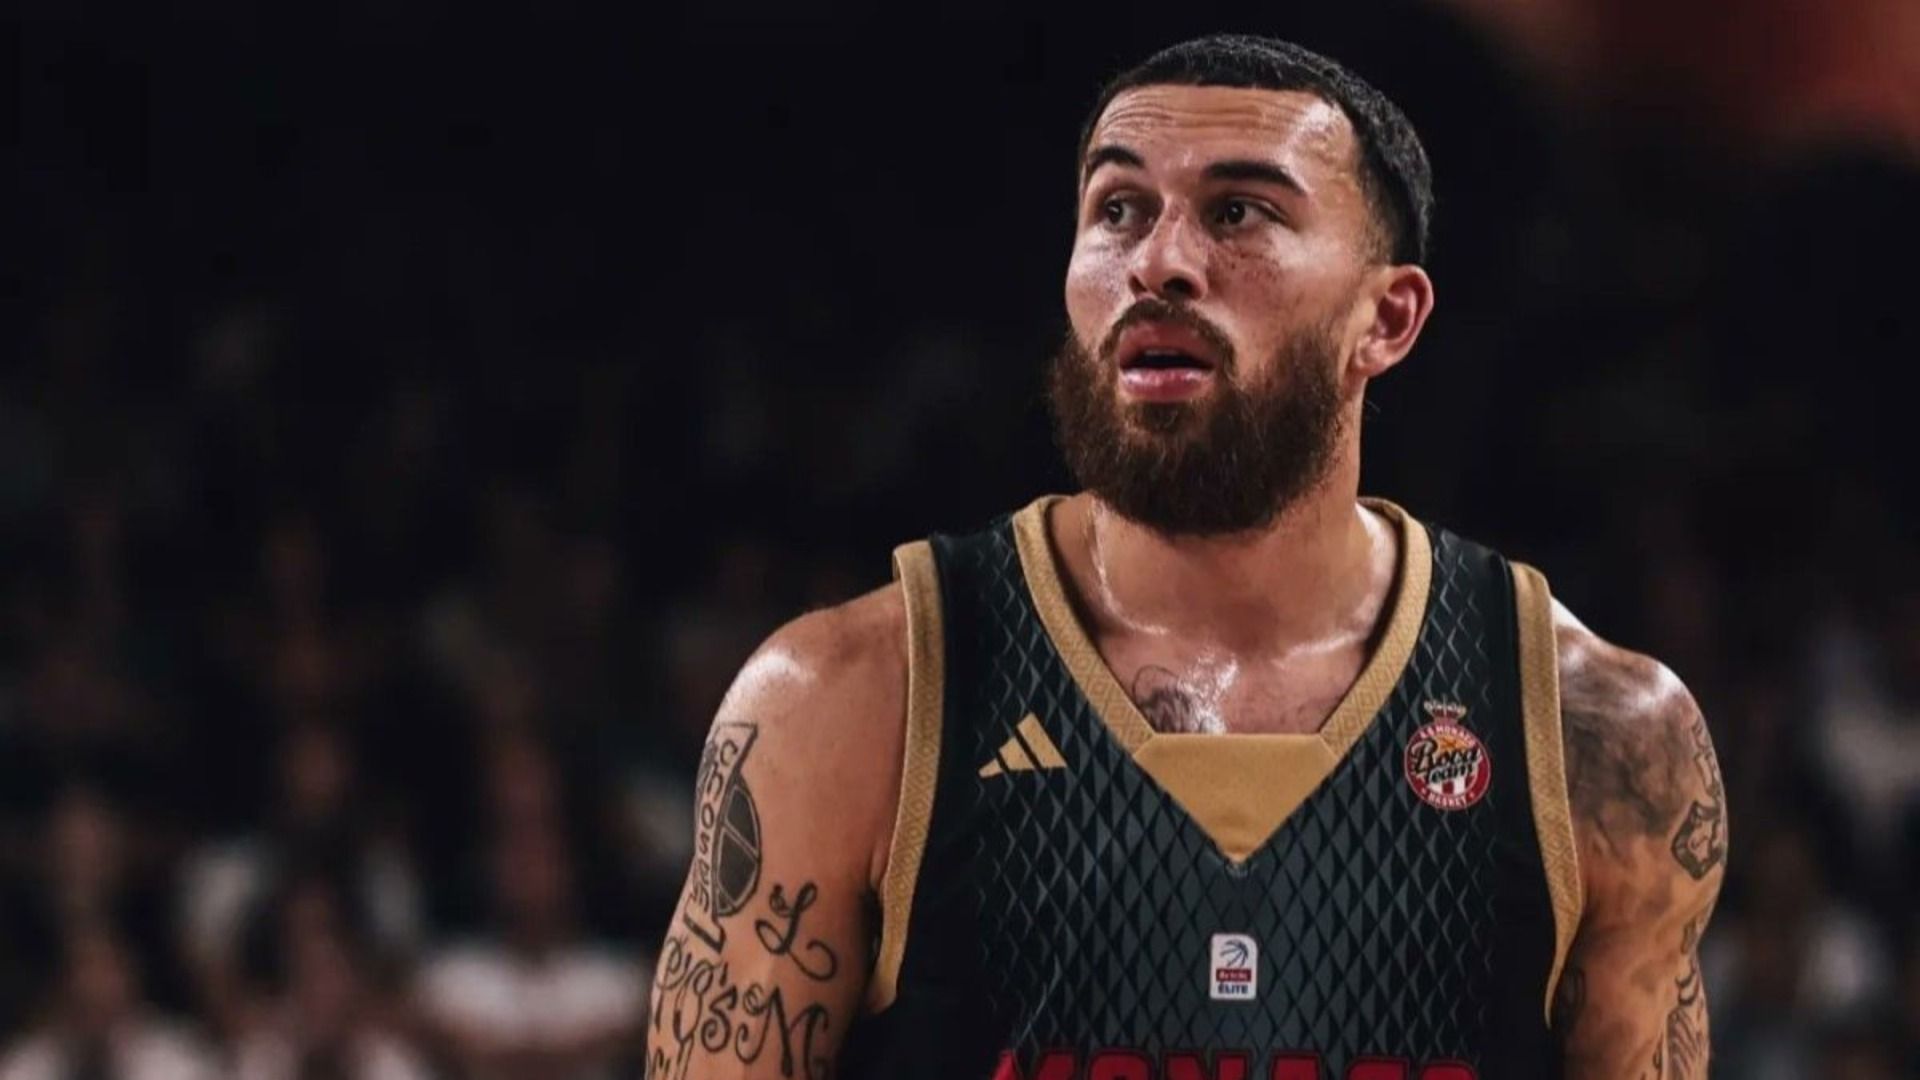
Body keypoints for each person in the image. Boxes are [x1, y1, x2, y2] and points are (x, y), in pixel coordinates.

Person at [645, 34, 1726, 1080]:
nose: (1157, 261)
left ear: (1387, 318)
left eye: (1238, 212)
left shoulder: (1593, 734)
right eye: (1118, 209)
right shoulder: (849, 700)